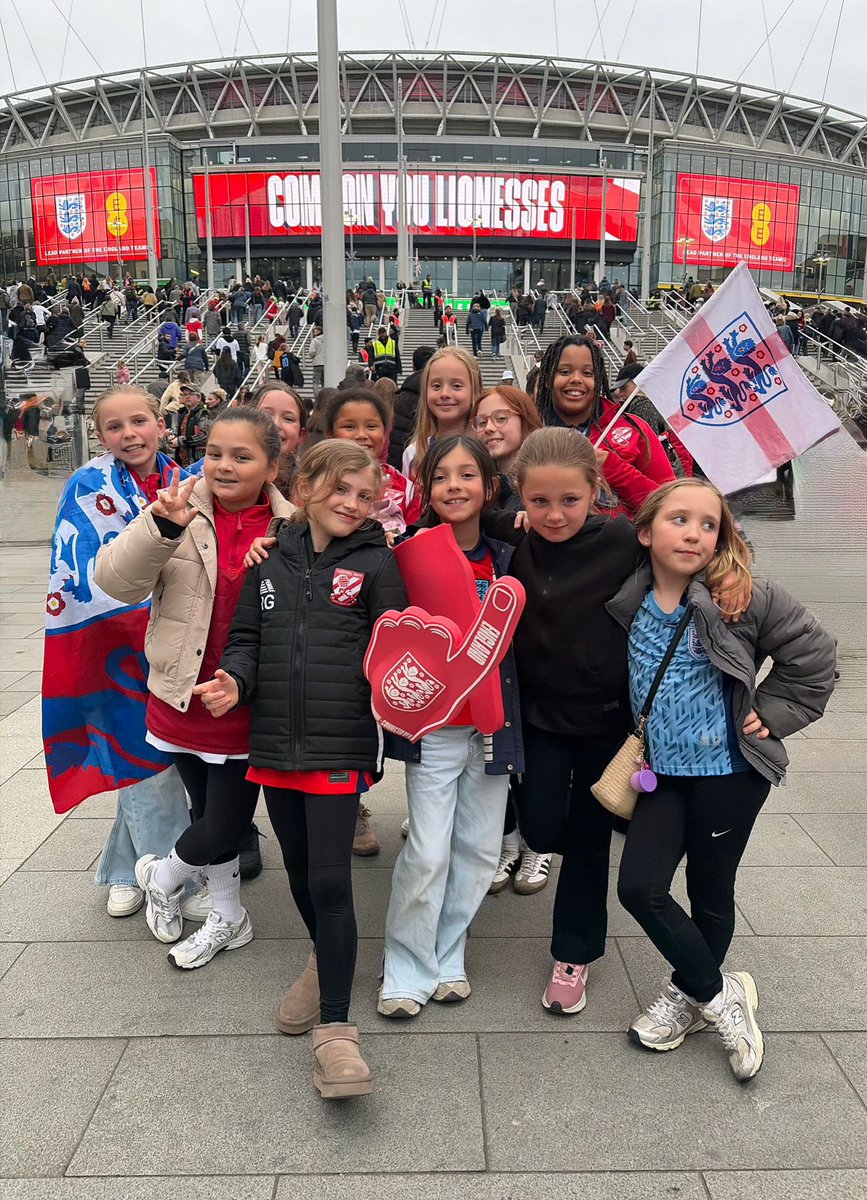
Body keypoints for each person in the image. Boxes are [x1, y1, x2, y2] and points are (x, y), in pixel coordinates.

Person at [481, 428, 749, 1016]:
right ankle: (543, 855)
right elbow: (448, 518)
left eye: (569, 500)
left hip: (610, 724)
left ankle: (573, 954)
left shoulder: (624, 539)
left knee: (586, 838)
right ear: (519, 497)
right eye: (539, 501)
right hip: (540, 719)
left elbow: (690, 532)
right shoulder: (510, 532)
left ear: (594, 492)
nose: (554, 514)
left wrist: (728, 572)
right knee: (544, 828)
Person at [199, 439, 407, 1098]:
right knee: (299, 873)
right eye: (339, 489)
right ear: (308, 485)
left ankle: (338, 1033)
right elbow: (245, 641)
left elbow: (396, 644)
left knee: (330, 879)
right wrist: (234, 679)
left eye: (364, 495)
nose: (351, 504)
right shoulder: (268, 560)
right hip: (272, 747)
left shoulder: (377, 563)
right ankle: (326, 965)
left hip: (339, 746)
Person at [611, 479, 835, 1079]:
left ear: (722, 538)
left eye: (708, 525)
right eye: (678, 520)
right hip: (661, 774)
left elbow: (815, 656)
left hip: (729, 774)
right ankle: (720, 993)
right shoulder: (627, 595)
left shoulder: (742, 596)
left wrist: (778, 711)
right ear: (645, 531)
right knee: (640, 888)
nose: (693, 533)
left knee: (711, 890)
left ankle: (688, 996)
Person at [94, 409, 292, 969]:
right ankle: (229, 913)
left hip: (247, 701)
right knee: (207, 810)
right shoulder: (174, 507)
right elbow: (113, 580)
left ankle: (160, 873)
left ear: (272, 466)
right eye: (216, 453)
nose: (224, 466)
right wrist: (162, 527)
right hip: (181, 696)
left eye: (242, 456)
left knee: (224, 821)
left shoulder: (293, 526)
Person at [378, 435, 523, 1019]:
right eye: (442, 477)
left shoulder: (511, 554)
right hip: (434, 727)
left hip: (494, 723)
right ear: (425, 488)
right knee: (429, 851)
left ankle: (448, 951)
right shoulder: (407, 554)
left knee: (481, 850)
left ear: (490, 487)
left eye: (469, 475)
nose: (455, 487)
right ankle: (406, 968)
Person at [46, 385, 202, 919]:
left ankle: (122, 869)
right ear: (101, 435)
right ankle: (170, 878)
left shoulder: (191, 478)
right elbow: (76, 568)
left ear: (162, 424)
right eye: (115, 427)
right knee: (144, 754)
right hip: (113, 637)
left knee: (157, 755)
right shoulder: (89, 485)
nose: (129, 433)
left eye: (139, 421)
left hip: (178, 637)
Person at [535, 335, 676, 518]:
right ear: (547, 379)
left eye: (587, 373)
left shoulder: (634, 428)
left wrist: (613, 467)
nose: (577, 379)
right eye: (564, 372)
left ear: (599, 380)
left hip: (622, 544)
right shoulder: (528, 429)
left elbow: (672, 506)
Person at [401, 347, 480, 482]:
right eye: (436, 386)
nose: (444, 394)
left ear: (474, 390)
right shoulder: (414, 453)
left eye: (456, 386)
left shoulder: (487, 447)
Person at [609, 363, 694, 479]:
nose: (620, 393)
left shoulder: (642, 403)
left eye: (624, 388)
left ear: (640, 382)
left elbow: (648, 443)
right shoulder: (650, 402)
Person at [388, 345, 435, 471]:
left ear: (413, 366)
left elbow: (397, 437)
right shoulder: (441, 397)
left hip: (405, 466)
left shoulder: (402, 396)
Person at [309, 326, 326, 397]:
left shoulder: (315, 340)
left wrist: (312, 356)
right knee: (324, 382)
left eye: (315, 331)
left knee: (315, 382)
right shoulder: (327, 339)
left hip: (317, 364)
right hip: (326, 364)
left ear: (319, 331)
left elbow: (312, 351)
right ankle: (325, 396)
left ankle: (317, 396)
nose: (313, 333)